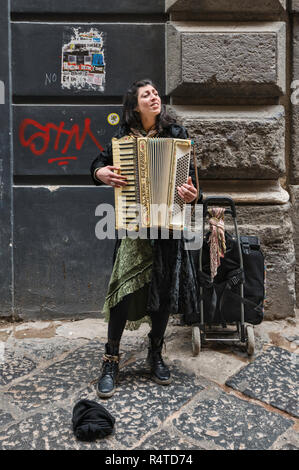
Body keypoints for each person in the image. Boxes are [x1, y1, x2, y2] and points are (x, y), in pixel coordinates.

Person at [90, 79, 201, 398]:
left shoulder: (177, 136)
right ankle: (110, 359)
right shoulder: (123, 139)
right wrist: (101, 174)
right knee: (123, 292)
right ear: (134, 106)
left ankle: (155, 354)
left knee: (164, 292)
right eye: (146, 95)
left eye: (155, 93)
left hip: (167, 225)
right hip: (133, 226)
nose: (154, 97)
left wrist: (191, 196)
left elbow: (194, 187)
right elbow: (97, 164)